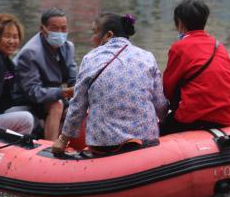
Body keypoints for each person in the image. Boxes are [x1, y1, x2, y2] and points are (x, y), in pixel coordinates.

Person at [52, 14, 168, 155]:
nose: (92, 38)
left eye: (94, 32)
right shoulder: (147, 57)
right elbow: (161, 104)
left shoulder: (90, 59)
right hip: (146, 141)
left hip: (106, 145)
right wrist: (163, 124)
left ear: (108, 35)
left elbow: (78, 106)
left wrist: (63, 140)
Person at [161, 0, 230, 134]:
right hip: (227, 118)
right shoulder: (219, 47)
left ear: (180, 23)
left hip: (194, 118)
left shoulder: (179, 48)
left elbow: (168, 89)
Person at [13, 8, 77, 140]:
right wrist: (63, 92)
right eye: (54, 28)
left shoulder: (68, 47)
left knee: (75, 107)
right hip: (27, 99)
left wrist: (79, 91)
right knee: (57, 105)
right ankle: (50, 147)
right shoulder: (31, 52)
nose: (60, 33)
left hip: (52, 94)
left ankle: (64, 143)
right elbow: (32, 92)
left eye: (63, 28)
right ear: (43, 29)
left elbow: (73, 78)